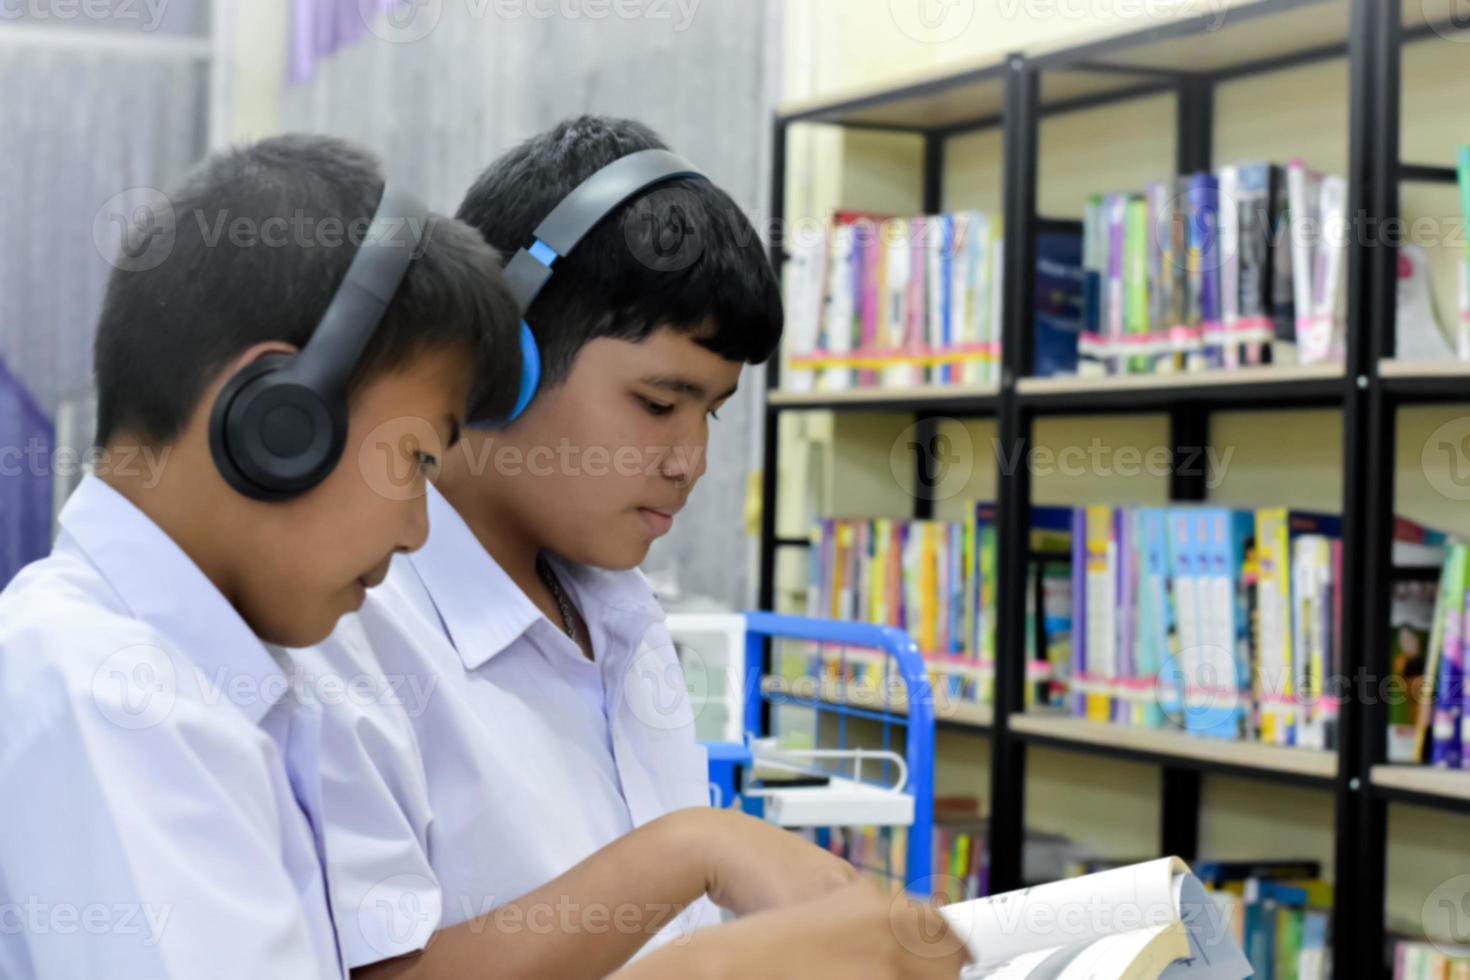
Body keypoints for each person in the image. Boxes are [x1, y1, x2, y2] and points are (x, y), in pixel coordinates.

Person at [296, 115, 966, 979]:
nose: (691, 462)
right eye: (657, 404)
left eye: (712, 412)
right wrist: (693, 848)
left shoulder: (618, 609)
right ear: (503, 362)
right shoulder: (348, 629)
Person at [0, 132, 522, 978]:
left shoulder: (206, 680)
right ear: (281, 420)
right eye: (417, 460)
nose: (417, 529)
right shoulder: (104, 687)